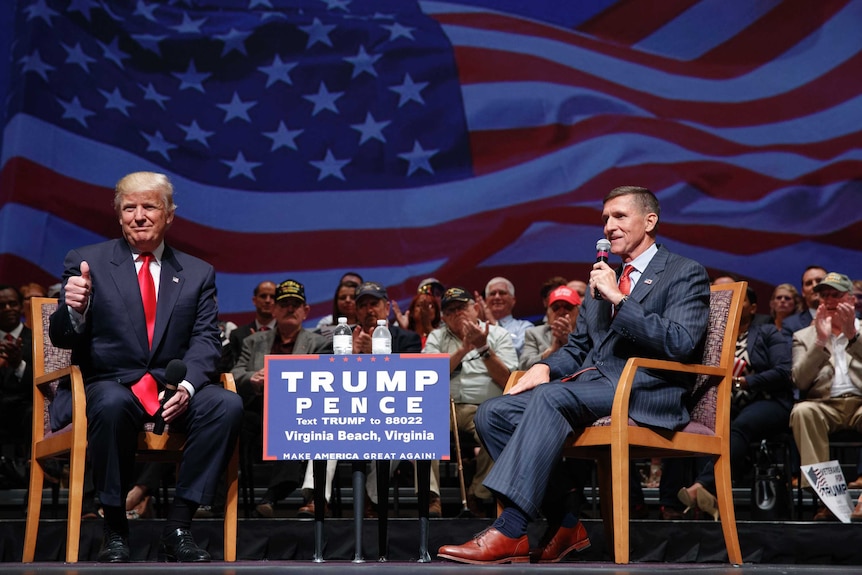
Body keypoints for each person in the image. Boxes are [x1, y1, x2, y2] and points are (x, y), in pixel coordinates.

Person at [437, 186, 710, 565]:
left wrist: (620, 300)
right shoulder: (605, 279)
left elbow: (680, 343)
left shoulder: (683, 272)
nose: (608, 227)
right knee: (494, 412)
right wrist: (544, 367)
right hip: (597, 387)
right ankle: (566, 520)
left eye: (619, 216)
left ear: (650, 221)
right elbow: (578, 347)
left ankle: (511, 530)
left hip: (648, 388)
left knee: (552, 398)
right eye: (604, 219)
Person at [48, 171, 243, 562]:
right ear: (118, 215)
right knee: (111, 404)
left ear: (169, 214)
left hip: (171, 390)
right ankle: (115, 528)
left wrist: (187, 388)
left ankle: (178, 526)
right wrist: (74, 309)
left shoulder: (197, 272)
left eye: (149, 206)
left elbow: (206, 340)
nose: (139, 215)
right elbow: (62, 338)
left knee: (227, 405)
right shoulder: (87, 263)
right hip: (111, 385)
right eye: (129, 207)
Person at [298, 281, 423, 516]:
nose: (369, 310)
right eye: (362, 305)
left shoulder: (407, 339)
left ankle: (372, 499)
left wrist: (374, 355)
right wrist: (351, 355)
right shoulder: (344, 335)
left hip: (390, 414)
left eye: (374, 303)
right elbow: (320, 373)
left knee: (402, 435)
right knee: (323, 427)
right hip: (346, 412)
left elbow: (413, 378)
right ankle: (317, 498)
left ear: (386, 307)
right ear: (355, 310)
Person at [677, 286, 793, 520]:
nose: (730, 306)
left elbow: (783, 371)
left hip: (768, 401)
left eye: (738, 301)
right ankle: (706, 501)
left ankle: (703, 486)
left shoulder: (767, 332)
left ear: (752, 308)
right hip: (726, 403)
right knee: (704, 429)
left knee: (739, 425)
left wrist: (744, 382)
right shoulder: (714, 335)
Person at [231, 278, 331, 518]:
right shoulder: (253, 342)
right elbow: (236, 372)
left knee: (292, 419)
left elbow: (326, 377)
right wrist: (252, 377)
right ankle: (213, 502)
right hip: (256, 412)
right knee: (228, 422)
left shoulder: (319, 344)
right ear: (274, 309)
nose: (290, 308)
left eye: (296, 304)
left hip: (298, 412)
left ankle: (272, 496)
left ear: (306, 311)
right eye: (284, 303)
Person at [425, 286, 519, 518]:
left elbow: (508, 379)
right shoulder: (437, 337)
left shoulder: (498, 335)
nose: (457, 314)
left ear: (475, 308)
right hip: (443, 406)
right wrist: (464, 349)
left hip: (484, 407)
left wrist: (483, 348)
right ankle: (430, 498)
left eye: (462, 308)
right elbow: (427, 376)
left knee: (499, 428)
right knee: (420, 426)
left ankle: (479, 494)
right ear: (444, 317)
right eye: (450, 311)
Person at [789, 272, 861, 520]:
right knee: (802, 411)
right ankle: (825, 498)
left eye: (836, 295)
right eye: (825, 296)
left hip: (860, 403)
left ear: (851, 300)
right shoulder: (804, 336)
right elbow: (800, 380)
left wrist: (852, 335)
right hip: (824, 406)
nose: (829, 301)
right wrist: (820, 341)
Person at [0, 284, 33, 488]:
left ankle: (34, 474)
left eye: (13, 303)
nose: (8, 308)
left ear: (21, 307)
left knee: (33, 413)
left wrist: (18, 364)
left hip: (26, 406)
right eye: (1, 305)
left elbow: (42, 382)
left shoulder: (37, 338)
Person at [520, 285, 580, 370]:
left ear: (579, 311)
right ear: (548, 312)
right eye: (556, 307)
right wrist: (551, 352)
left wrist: (570, 342)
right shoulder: (534, 333)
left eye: (568, 307)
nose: (561, 311)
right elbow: (523, 366)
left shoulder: (587, 334)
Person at [475, 277, 534, 357]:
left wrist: (494, 323)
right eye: (492, 294)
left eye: (502, 293)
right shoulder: (476, 328)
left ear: (513, 300)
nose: (497, 297)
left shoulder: (525, 327)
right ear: (485, 301)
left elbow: (521, 355)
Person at [227, 280, 276, 369]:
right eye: (263, 296)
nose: (268, 300)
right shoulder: (238, 335)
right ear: (254, 300)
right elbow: (234, 371)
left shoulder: (286, 335)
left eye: (272, 297)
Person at [783, 266, 827, 334]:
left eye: (819, 281)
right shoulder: (790, 325)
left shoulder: (845, 318)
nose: (814, 286)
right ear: (803, 292)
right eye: (809, 283)